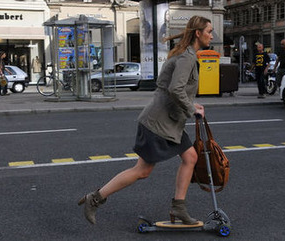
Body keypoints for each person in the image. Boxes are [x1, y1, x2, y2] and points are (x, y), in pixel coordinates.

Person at [78, 15, 213, 225]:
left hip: (170, 123)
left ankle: (178, 208)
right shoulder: (186, 57)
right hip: (158, 124)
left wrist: (191, 105)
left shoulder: (183, 55)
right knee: (142, 171)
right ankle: (94, 198)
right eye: (209, 31)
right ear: (198, 33)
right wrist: (190, 109)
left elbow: (165, 85)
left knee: (191, 158)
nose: (211, 36)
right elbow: (174, 88)